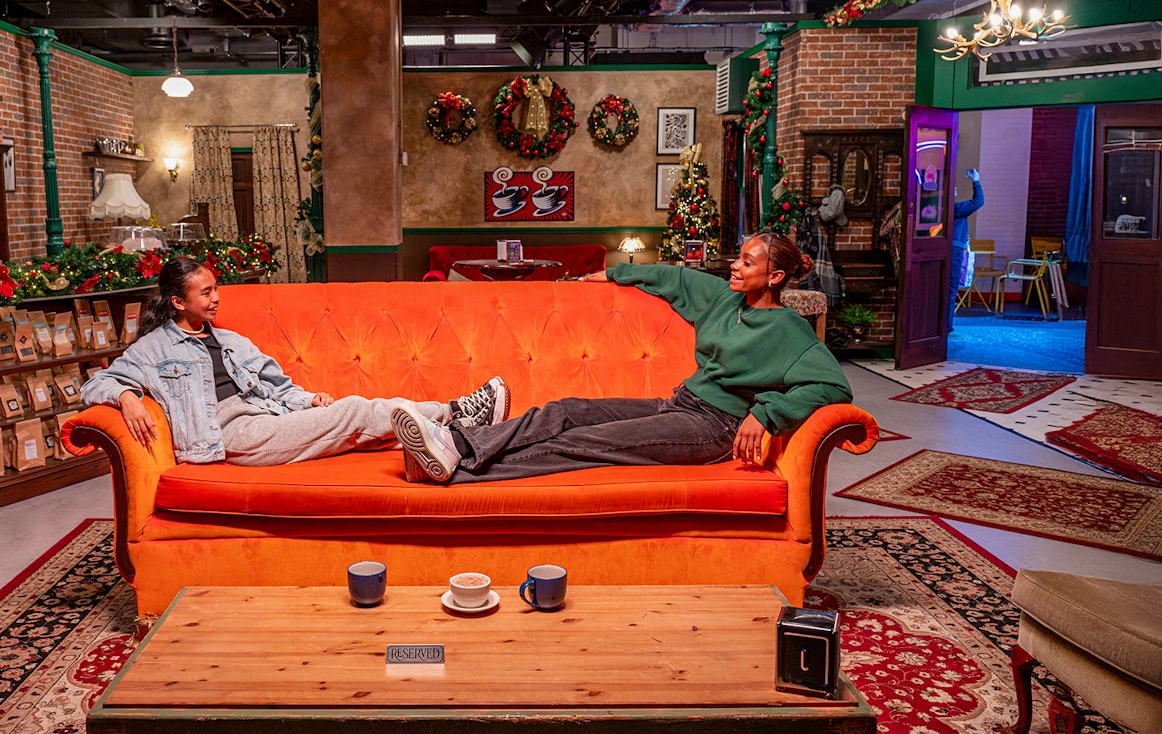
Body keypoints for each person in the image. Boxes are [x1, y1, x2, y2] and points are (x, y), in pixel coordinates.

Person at [390, 232, 854, 484]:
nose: (735, 264)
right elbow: (670, 276)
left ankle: (457, 476)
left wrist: (767, 413)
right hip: (679, 406)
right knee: (567, 411)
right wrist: (611, 273)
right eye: (738, 256)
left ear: (774, 276)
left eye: (748, 262)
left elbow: (834, 387)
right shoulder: (722, 297)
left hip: (715, 429)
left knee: (591, 442)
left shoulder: (789, 330)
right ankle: (456, 445)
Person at [80, 256, 510, 466]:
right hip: (230, 433)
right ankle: (456, 413)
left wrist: (308, 401)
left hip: (266, 416)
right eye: (206, 292)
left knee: (367, 430)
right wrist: (126, 396)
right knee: (357, 411)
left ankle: (450, 432)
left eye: (216, 289)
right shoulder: (153, 349)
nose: (217, 298)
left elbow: (279, 386)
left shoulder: (231, 340)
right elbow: (94, 385)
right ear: (178, 301)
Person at [948, 167, 984, 332]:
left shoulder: (934, 210)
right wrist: (975, 181)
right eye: (952, 188)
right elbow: (978, 201)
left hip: (945, 249)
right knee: (950, 290)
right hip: (954, 251)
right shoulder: (954, 209)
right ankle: (947, 327)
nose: (955, 189)